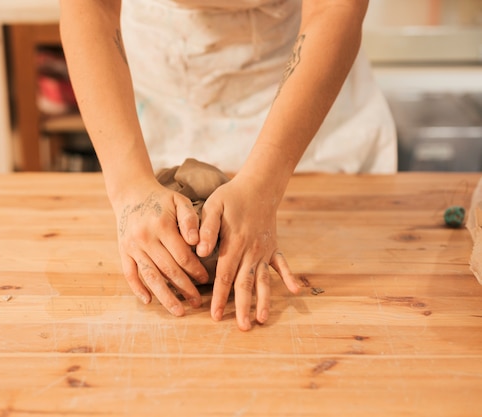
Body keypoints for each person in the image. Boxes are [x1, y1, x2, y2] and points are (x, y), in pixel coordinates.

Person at [59, 0, 397, 331]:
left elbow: (334, 7)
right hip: (159, 71)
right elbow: (90, 7)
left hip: (299, 80)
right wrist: (130, 185)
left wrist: (264, 184)